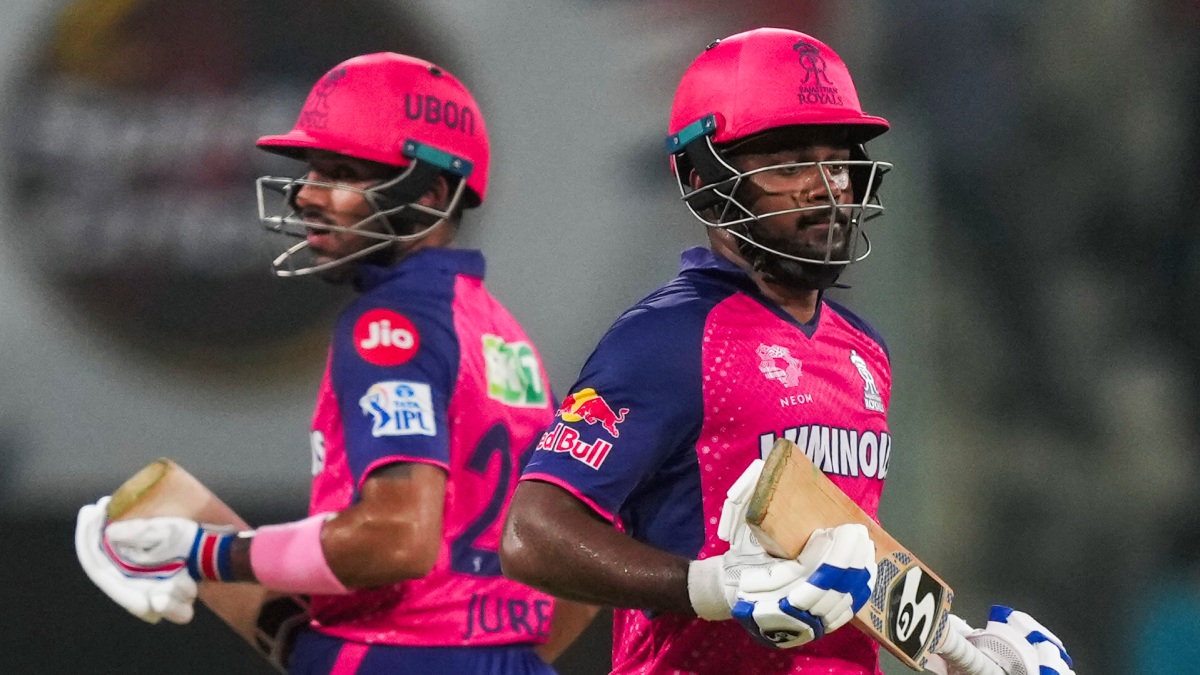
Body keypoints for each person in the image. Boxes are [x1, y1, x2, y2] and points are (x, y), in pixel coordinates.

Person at [499, 28, 1075, 675]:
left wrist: (959, 650)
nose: (825, 188)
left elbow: (841, 557)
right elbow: (531, 534)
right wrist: (710, 586)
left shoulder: (863, 350)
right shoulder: (667, 339)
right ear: (705, 178)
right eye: (790, 165)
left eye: (837, 163)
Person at [75, 52, 594, 674]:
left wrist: (204, 554)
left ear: (430, 195)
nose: (306, 196)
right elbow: (579, 560)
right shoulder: (500, 334)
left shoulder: (389, 325)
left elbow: (398, 538)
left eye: (342, 173)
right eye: (311, 171)